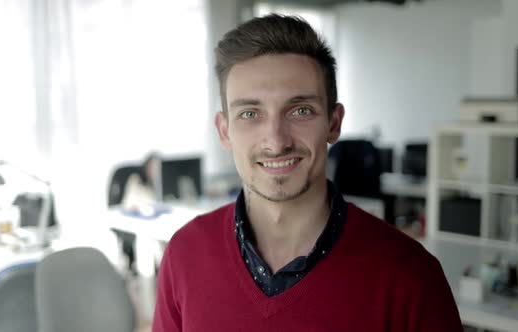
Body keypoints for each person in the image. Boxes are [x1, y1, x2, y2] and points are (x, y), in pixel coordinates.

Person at [153, 14, 462, 331]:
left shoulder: (411, 276)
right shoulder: (184, 256)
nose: (276, 141)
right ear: (224, 131)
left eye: (300, 110)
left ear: (333, 123)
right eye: (250, 113)